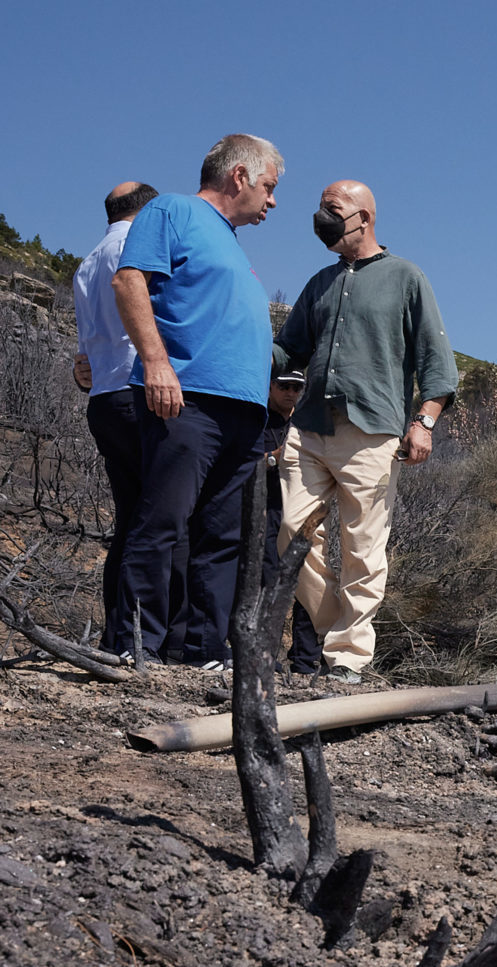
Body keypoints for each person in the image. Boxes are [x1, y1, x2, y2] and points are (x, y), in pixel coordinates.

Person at [273, 180, 459, 685]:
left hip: (372, 433)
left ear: (365, 217)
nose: (321, 218)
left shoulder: (406, 278)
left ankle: (349, 659)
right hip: (309, 428)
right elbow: (288, 351)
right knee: (291, 533)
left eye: (332, 209)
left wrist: (423, 423)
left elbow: (437, 365)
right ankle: (341, 629)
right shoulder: (319, 283)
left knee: (362, 547)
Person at [111, 134, 283, 669]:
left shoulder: (230, 240)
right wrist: (157, 363)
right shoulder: (172, 210)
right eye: (269, 187)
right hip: (188, 400)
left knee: (223, 535)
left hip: (243, 412)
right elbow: (129, 279)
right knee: (162, 521)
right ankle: (135, 646)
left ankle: (202, 651)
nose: (272, 201)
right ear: (239, 176)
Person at [72, 181, 165, 653]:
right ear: (148, 211)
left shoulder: (87, 262)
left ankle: (119, 632)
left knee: (130, 518)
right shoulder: (135, 249)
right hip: (139, 393)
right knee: (159, 520)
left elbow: (87, 347)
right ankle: (145, 637)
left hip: (103, 399)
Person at [259, 369, 324, 676]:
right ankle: (263, 655)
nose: (290, 392)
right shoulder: (257, 420)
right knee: (270, 582)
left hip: (308, 513)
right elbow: (245, 464)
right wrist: (275, 457)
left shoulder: (309, 424)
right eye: (283, 386)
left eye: (296, 387)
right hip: (271, 510)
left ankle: (305, 660)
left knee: (309, 584)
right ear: (270, 386)